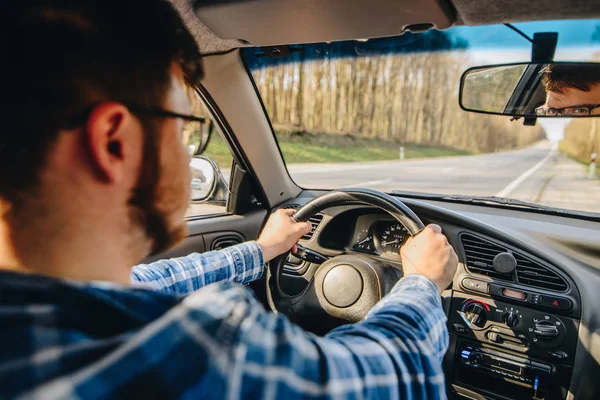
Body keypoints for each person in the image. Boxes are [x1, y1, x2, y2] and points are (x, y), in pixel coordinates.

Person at [0, 1, 458, 399]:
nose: (186, 151)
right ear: (115, 144)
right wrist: (421, 281)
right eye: (182, 129)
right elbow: (389, 376)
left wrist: (263, 250)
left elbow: (151, 281)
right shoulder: (198, 354)